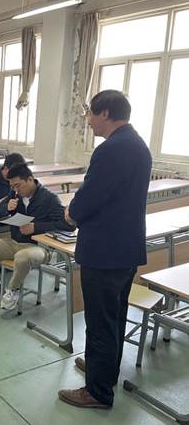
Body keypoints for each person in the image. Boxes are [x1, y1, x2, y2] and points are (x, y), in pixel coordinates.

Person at [58, 90, 152, 409]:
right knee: (115, 315)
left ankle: (97, 391)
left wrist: (72, 212)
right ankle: (104, 369)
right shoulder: (137, 144)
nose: (88, 120)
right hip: (125, 247)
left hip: (104, 251)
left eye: (91, 114)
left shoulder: (111, 149)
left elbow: (93, 194)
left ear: (106, 114)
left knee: (100, 320)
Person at [0, 164, 74, 309]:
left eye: (18, 185)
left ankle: (12, 291)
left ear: (30, 179)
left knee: (22, 257)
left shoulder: (49, 199)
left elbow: (66, 225)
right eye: (12, 186)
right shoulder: (14, 194)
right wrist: (6, 207)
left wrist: (36, 227)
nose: (16, 190)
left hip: (39, 248)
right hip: (14, 242)